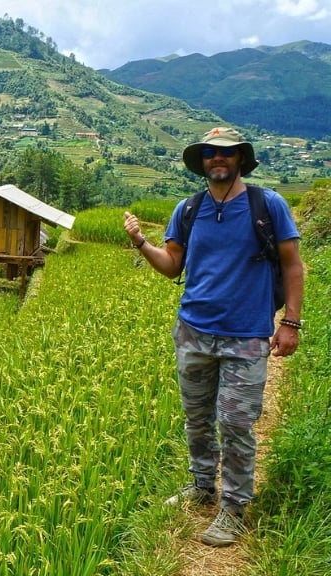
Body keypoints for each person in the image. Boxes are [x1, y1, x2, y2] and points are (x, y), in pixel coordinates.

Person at [122, 127, 305, 547]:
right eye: (209, 153)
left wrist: (290, 322)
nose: (217, 158)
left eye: (226, 152)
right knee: (198, 417)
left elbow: (292, 265)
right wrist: (140, 242)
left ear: (240, 158)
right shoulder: (188, 210)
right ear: (201, 161)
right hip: (193, 331)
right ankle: (202, 485)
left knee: (236, 422)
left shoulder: (267, 205)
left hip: (247, 335)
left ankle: (234, 508)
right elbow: (172, 265)